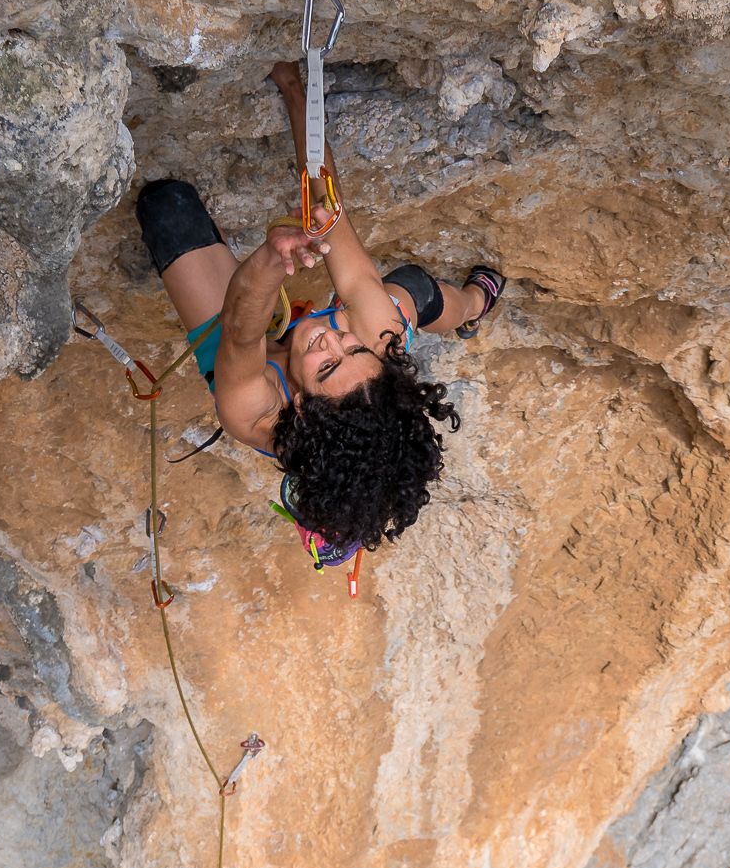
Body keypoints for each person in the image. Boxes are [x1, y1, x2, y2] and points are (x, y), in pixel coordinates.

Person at [134, 60, 504, 568]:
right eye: (351, 349)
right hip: (350, 352)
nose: (330, 340)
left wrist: (273, 257)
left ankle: (471, 306)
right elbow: (332, 218)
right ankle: (466, 305)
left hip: (254, 355)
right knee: (414, 289)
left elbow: (241, 332)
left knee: (167, 209)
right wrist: (294, 90)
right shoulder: (378, 335)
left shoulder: (258, 414)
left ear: (305, 410)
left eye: (328, 366)